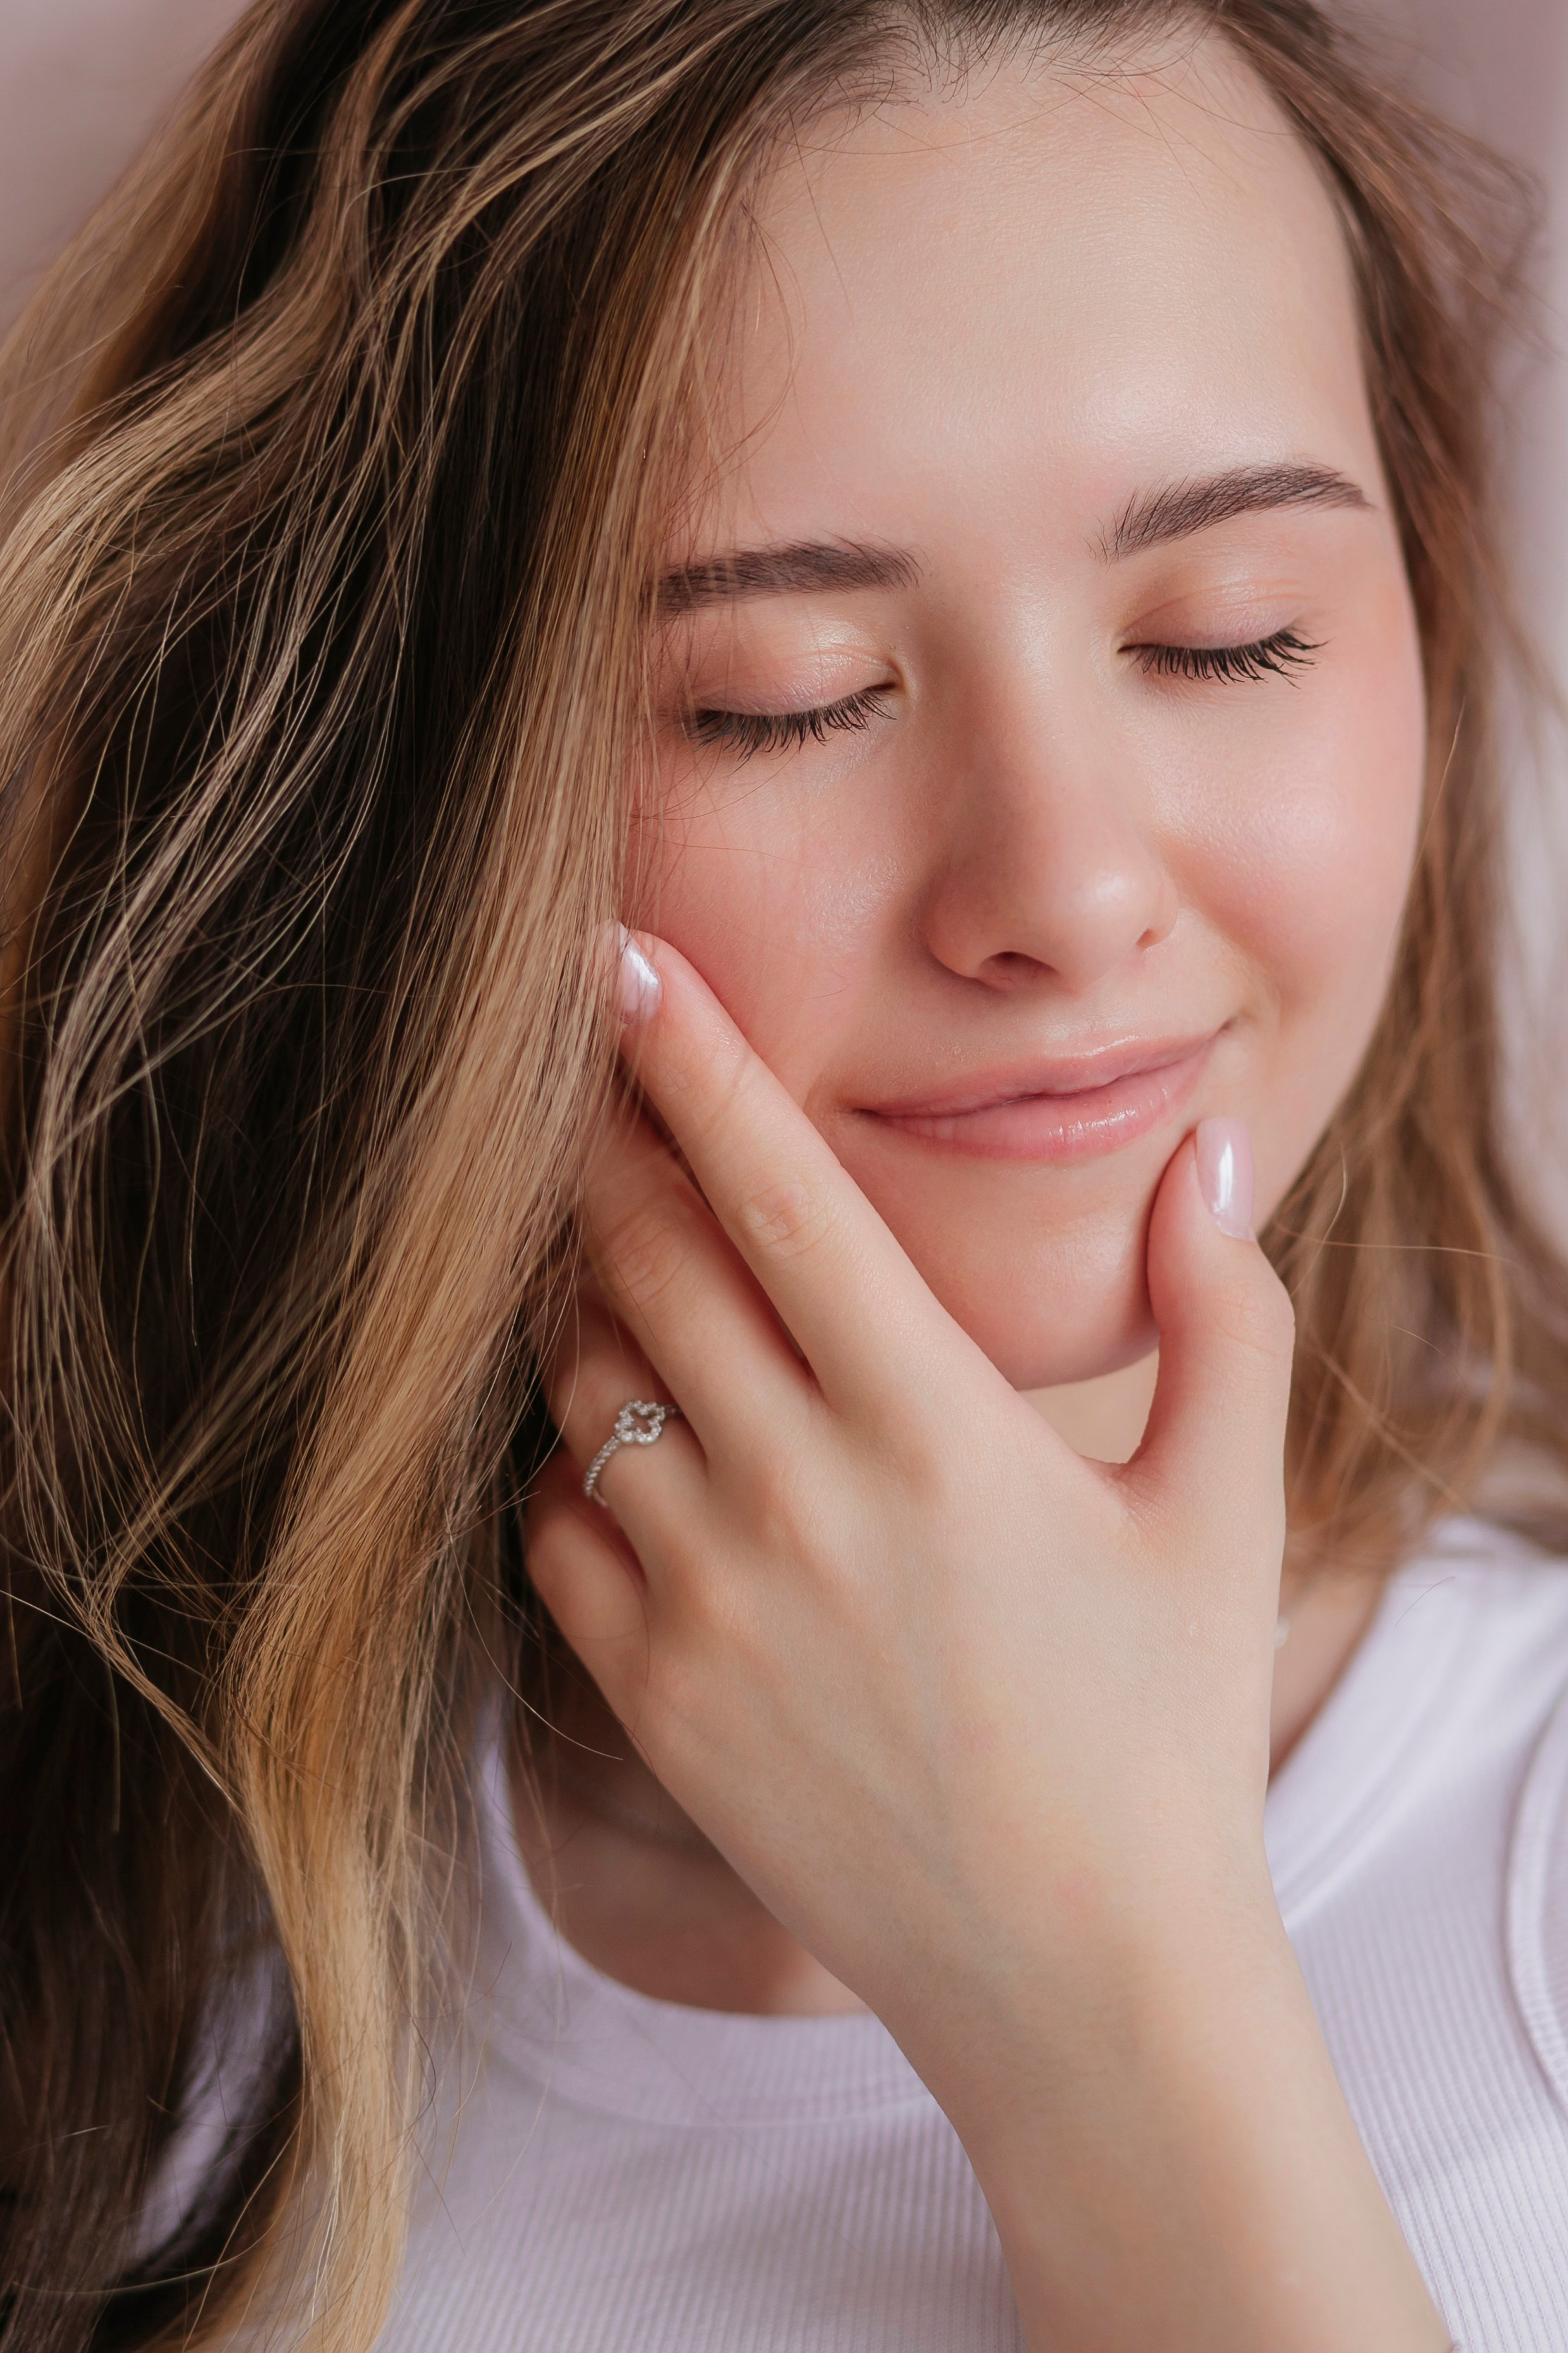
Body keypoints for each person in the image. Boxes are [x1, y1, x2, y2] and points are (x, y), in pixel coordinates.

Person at [3, 0, 1567, 2346]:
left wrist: (1101, 1998)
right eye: (783, 689)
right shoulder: (116, 1932)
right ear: (382, 798)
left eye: (1223, 637)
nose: (1061, 885)